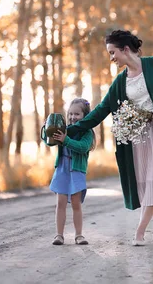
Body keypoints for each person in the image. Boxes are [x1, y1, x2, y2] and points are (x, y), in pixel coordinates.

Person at [66, 29, 153, 246]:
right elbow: (101, 110)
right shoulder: (121, 81)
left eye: (113, 53)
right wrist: (72, 130)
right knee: (150, 186)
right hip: (136, 140)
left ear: (126, 49)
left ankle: (139, 233)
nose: (111, 58)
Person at [45, 98, 95, 246]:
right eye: (71, 114)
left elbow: (82, 147)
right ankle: (59, 235)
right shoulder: (64, 128)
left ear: (85, 115)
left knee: (75, 203)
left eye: (77, 114)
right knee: (60, 203)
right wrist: (46, 129)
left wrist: (66, 140)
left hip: (76, 170)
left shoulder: (87, 132)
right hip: (62, 169)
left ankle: (79, 235)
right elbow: (49, 141)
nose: (73, 117)